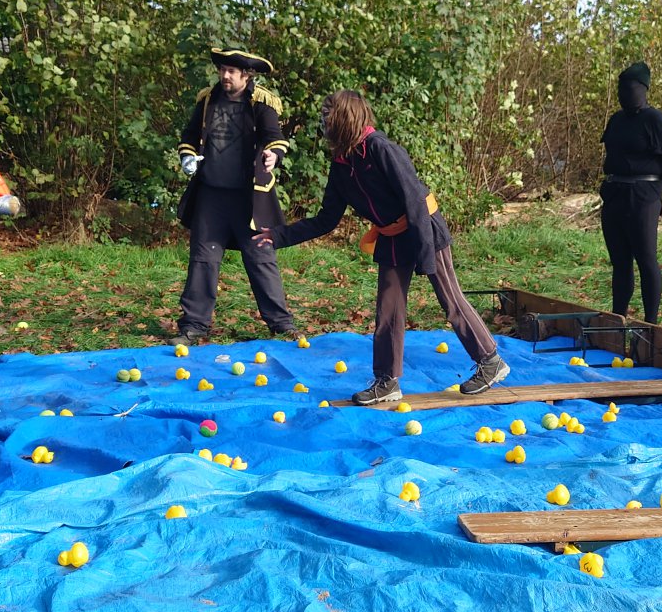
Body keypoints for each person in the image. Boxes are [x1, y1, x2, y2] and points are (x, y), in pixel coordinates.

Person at [255, 90, 510, 405]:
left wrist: (426, 255)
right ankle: (387, 381)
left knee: (450, 298)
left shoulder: (382, 149)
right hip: (391, 236)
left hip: (423, 226)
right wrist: (278, 236)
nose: (323, 123)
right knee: (388, 309)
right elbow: (325, 219)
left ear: (345, 120)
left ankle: (490, 360)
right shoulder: (341, 165)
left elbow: (414, 199)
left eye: (328, 116)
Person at [172, 48, 298, 344]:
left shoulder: (261, 102)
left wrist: (273, 155)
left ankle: (281, 324)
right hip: (211, 197)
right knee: (203, 259)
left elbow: (275, 137)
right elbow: (189, 137)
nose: (224, 76)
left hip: (249, 199)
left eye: (231, 71)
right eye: (222, 70)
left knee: (261, 258)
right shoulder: (207, 100)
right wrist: (187, 158)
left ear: (246, 74)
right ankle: (194, 326)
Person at [599, 61, 662, 324]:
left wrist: (652, 189)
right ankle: (618, 318)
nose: (625, 93)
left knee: (646, 259)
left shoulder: (656, 120)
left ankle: (650, 323)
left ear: (643, 89)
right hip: (614, 194)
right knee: (620, 262)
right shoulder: (616, 120)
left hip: (643, 195)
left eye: (631, 88)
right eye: (621, 88)